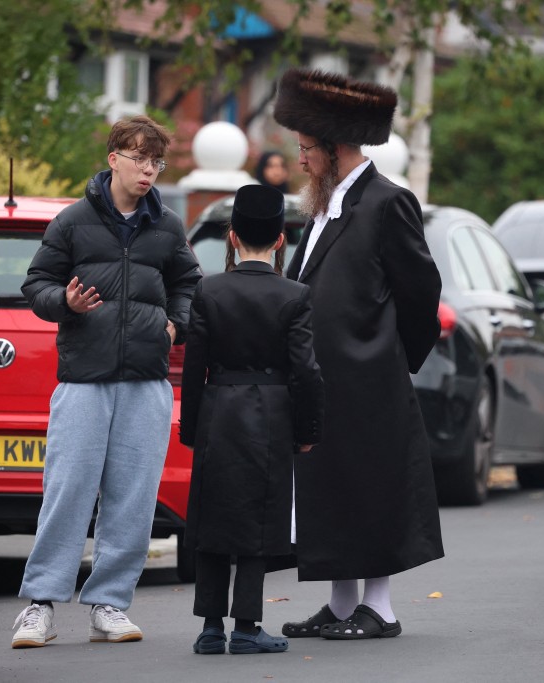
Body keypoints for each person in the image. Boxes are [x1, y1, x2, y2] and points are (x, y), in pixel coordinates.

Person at [11, 115, 202, 648]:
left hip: (146, 381)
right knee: (67, 490)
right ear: (113, 158)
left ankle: (109, 605)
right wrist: (65, 303)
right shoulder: (72, 221)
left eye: (156, 161)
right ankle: (40, 605)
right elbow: (36, 284)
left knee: (133, 498)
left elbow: (189, 284)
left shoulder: (167, 226)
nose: (148, 170)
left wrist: (174, 325)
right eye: (139, 158)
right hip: (83, 380)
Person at [271, 68, 444, 640]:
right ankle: (343, 604)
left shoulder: (389, 202)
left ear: (334, 146)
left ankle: (380, 609)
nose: (300, 160)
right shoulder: (326, 202)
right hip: (324, 378)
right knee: (333, 486)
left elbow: (421, 291)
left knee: (370, 487)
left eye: (306, 148)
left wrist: (387, 357)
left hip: (369, 378)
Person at [179, 184, 324, 656]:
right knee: (260, 520)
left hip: (218, 412)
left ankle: (210, 628)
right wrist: (307, 430)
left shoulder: (208, 289)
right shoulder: (295, 295)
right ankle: (246, 626)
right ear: (280, 239)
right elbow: (306, 371)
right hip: (272, 415)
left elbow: (194, 367)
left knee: (213, 516)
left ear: (233, 237)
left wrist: (191, 428)